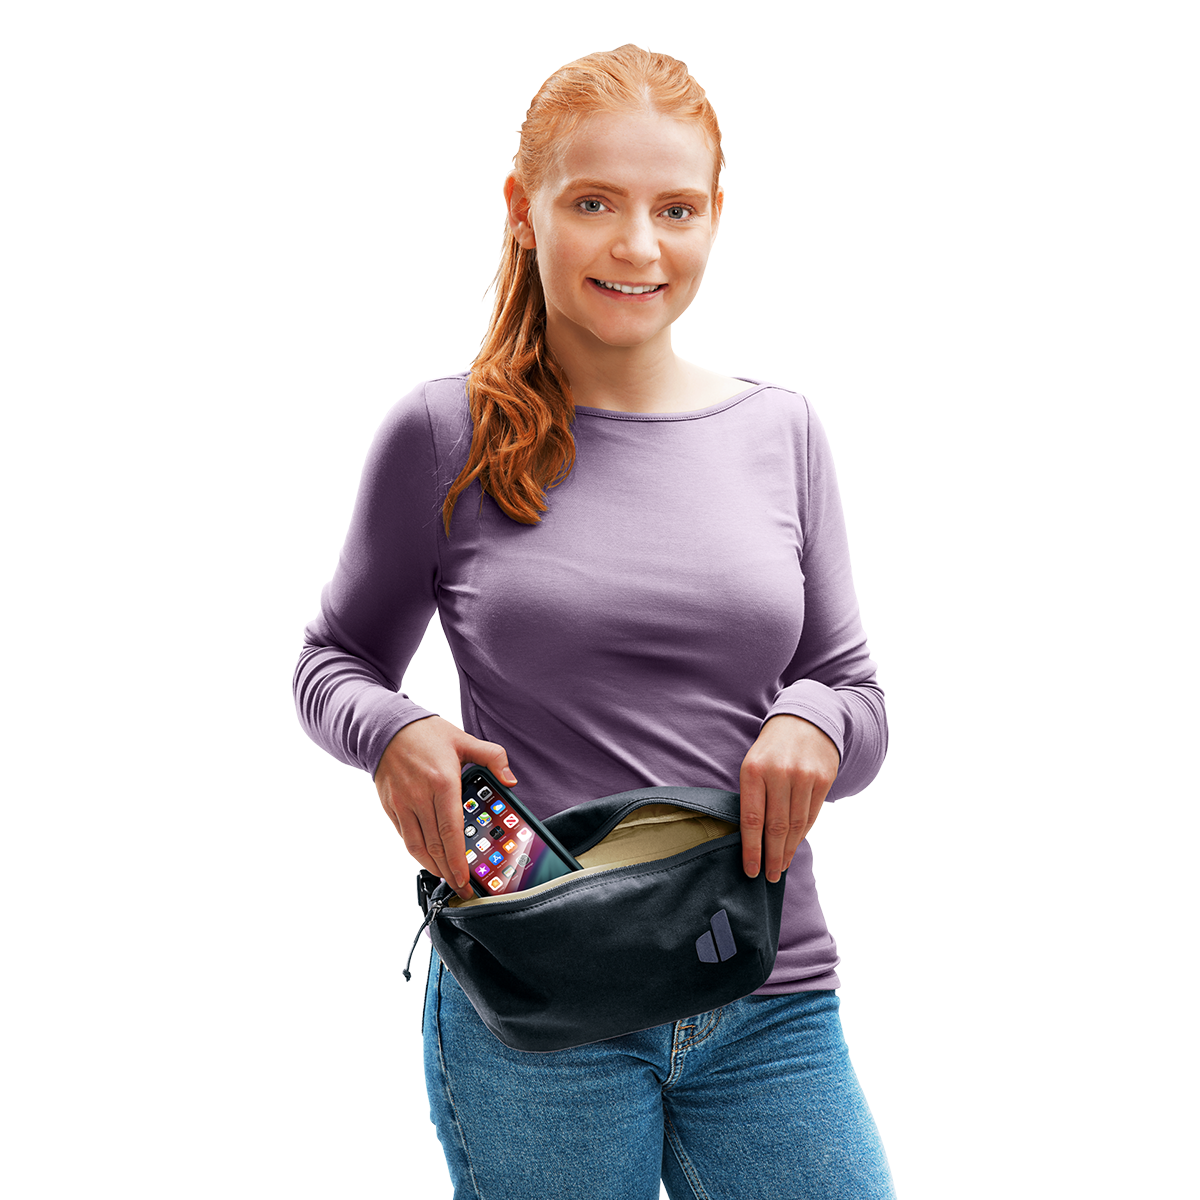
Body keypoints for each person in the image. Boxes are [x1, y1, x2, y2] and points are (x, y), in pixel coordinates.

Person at [294, 44, 895, 1200]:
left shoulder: (783, 433)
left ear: (716, 215)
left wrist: (816, 719)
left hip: (766, 992)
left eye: (676, 208)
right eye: (594, 204)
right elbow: (334, 662)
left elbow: (856, 696)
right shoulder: (443, 435)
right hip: (538, 1003)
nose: (638, 246)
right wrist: (394, 731)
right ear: (523, 211)